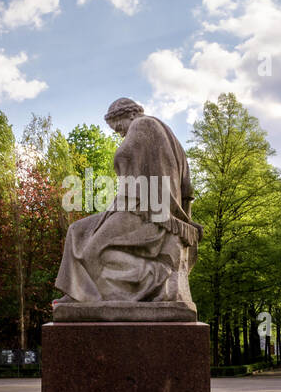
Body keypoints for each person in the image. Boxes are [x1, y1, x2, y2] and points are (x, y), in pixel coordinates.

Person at [55, 98, 202, 304]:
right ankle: (78, 293)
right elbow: (187, 191)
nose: (119, 132)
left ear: (131, 114)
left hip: (148, 214)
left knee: (90, 250)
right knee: (76, 231)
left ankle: (156, 275)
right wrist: (186, 221)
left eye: (118, 126)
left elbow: (181, 190)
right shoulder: (170, 137)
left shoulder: (143, 124)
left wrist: (180, 226)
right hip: (134, 208)